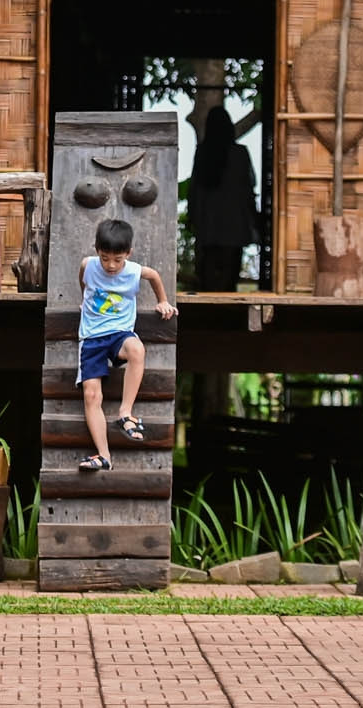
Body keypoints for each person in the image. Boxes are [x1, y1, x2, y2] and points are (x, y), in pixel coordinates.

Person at [76, 218, 176, 471]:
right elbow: (83, 279)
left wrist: (163, 301)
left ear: (128, 254)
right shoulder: (88, 265)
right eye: (105, 258)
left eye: (117, 260)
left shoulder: (134, 271)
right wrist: (84, 298)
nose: (111, 265)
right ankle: (104, 456)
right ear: (97, 250)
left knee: (137, 349)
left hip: (120, 333)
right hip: (91, 338)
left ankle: (125, 412)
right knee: (91, 395)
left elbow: (154, 276)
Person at [188, 105, 260, 292]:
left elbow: (194, 189)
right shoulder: (240, 153)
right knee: (229, 276)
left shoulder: (202, 153)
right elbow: (248, 188)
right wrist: (254, 219)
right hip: (235, 223)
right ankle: (229, 307)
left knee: (208, 275)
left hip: (209, 223)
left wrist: (194, 218)